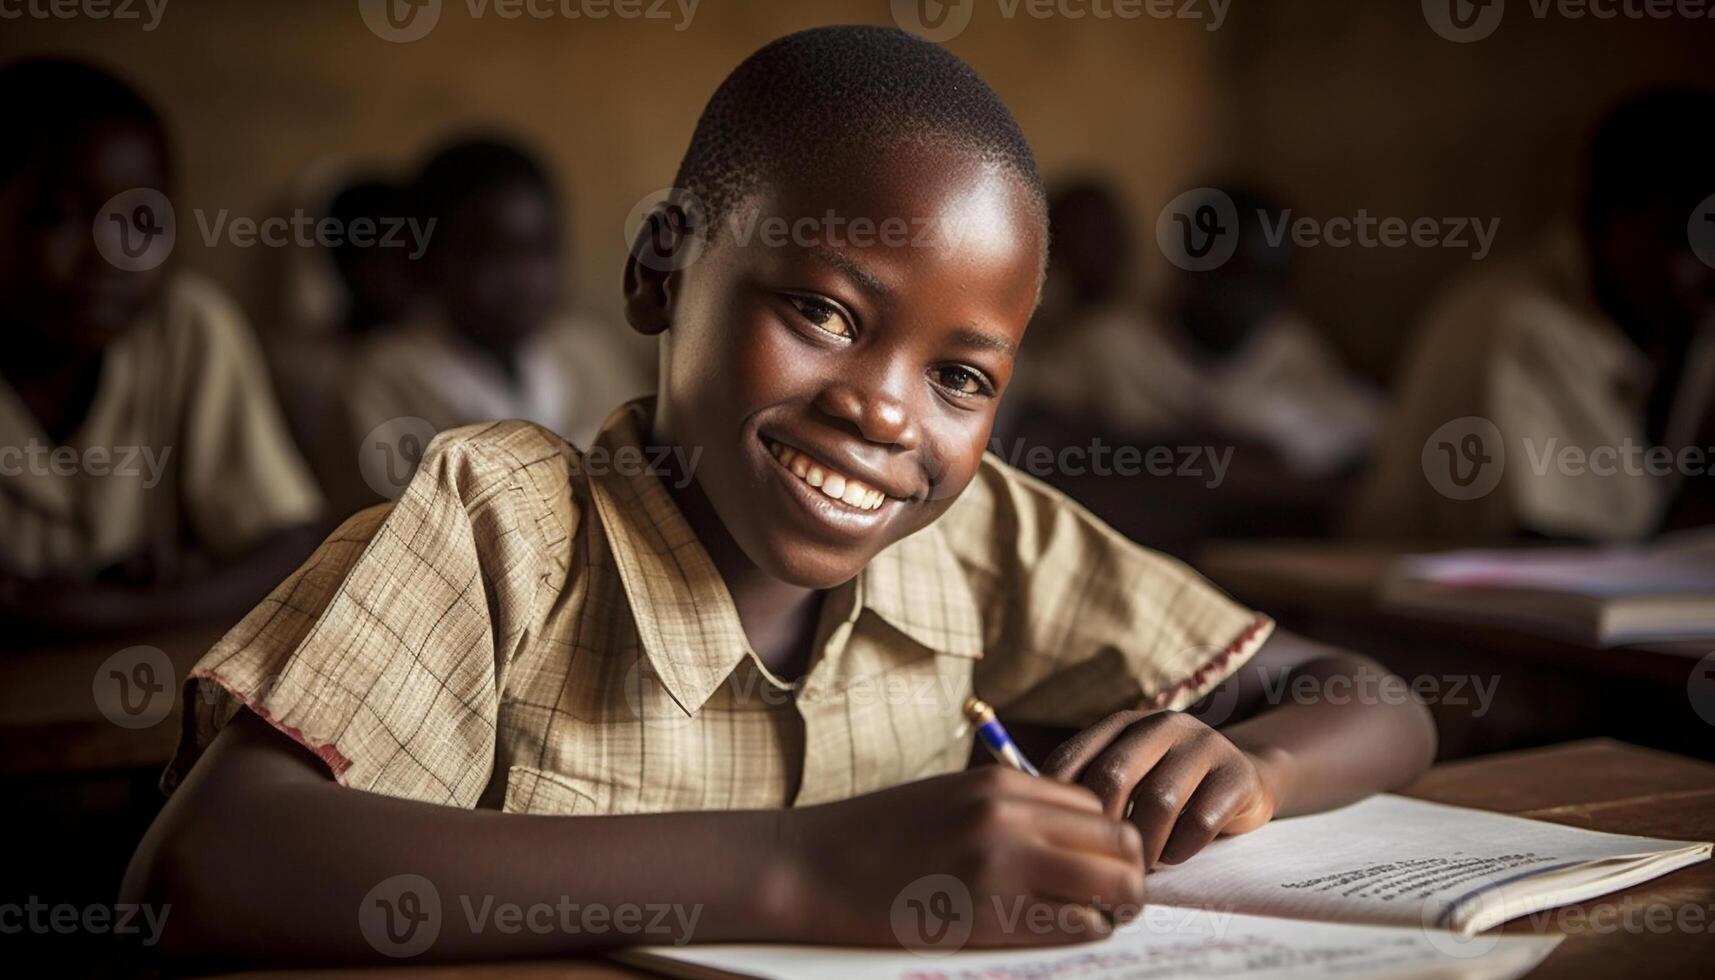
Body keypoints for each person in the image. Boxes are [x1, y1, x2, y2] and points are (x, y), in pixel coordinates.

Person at [124, 28, 1434, 965]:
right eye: (821, 310)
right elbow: (207, 866)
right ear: (657, 274)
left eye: (961, 376)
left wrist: (1248, 772)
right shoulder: (501, 527)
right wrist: (812, 867)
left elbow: (1373, 705)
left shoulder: (979, 538)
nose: (882, 408)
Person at [0, 59, 323, 637]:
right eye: (61, 216)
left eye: (142, 221)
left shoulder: (188, 327)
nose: (111, 255)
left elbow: (289, 544)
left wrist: (113, 607)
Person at [1349, 90, 1715, 542]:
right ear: (1608, 219)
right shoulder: (1515, 321)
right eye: (1686, 239)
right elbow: (1561, 552)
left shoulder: (1677, 328)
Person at [332, 136, 647, 510]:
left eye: (540, 249)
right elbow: (400, 529)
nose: (524, 279)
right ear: (427, 259)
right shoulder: (381, 380)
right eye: (492, 255)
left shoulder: (588, 354)